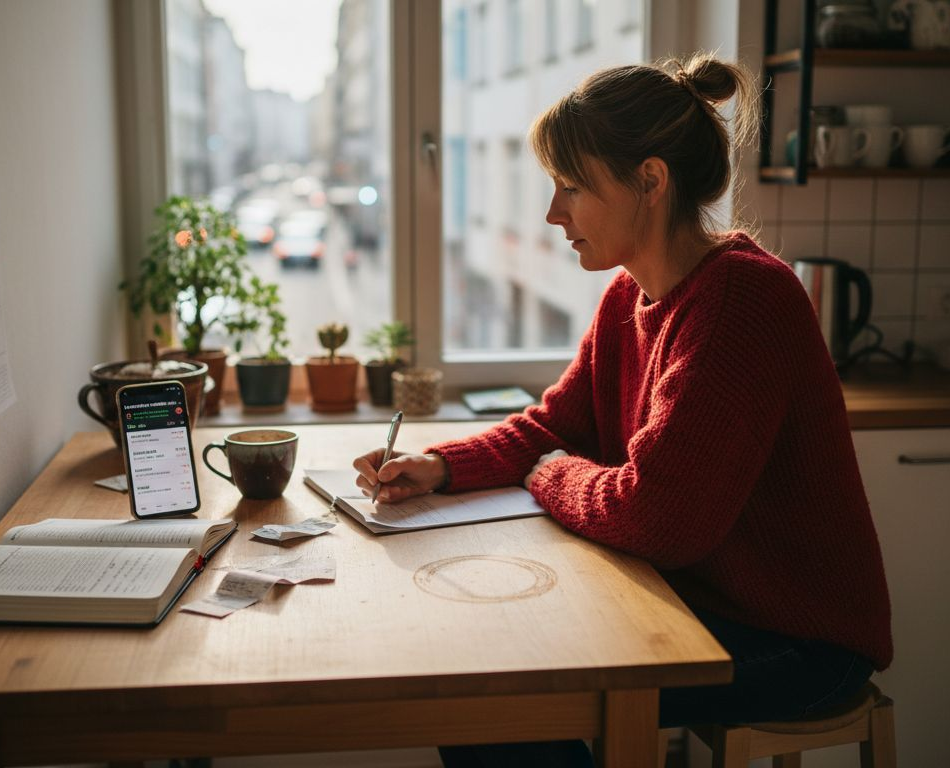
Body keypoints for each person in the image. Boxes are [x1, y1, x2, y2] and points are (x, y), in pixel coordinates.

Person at [353, 53, 892, 767]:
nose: (553, 212)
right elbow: (554, 427)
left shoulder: (741, 300)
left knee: (500, 698)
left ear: (650, 181)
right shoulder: (626, 298)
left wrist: (550, 476)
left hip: (794, 637)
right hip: (690, 600)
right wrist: (439, 465)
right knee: (481, 669)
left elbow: (652, 517)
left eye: (572, 186)